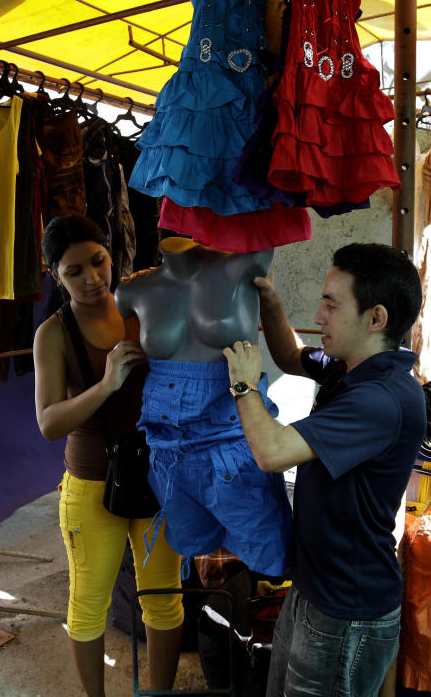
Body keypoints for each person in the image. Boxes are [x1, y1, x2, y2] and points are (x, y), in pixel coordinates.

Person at [222, 242, 426, 697]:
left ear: (376, 318)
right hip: (315, 589)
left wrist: (242, 384)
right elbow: (291, 355)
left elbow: (271, 451)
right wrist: (271, 303)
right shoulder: (352, 370)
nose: (318, 317)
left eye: (331, 305)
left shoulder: (382, 398)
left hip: (347, 610)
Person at [33, 214, 184, 697]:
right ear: (53, 274)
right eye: (74, 270)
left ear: (111, 252)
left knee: (163, 599)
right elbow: (49, 423)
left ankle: (158, 692)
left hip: (158, 479)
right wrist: (106, 384)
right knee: (88, 604)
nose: (92, 278)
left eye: (98, 261)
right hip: (90, 484)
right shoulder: (53, 334)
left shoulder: (144, 309)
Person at [114, 237, 292, 579]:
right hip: (169, 454)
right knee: (194, 559)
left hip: (236, 446)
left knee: (271, 561)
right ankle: (212, 623)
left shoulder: (244, 261)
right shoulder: (132, 290)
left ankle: (254, 624)